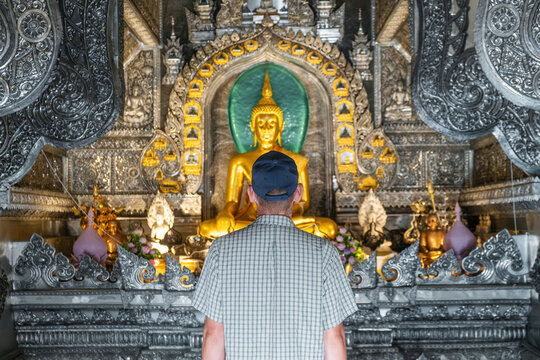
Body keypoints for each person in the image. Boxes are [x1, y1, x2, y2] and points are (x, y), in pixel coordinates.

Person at [192, 151, 357, 360]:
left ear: (251, 194)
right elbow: (334, 337)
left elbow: (213, 334)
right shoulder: (325, 253)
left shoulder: (220, 251)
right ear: (298, 192)